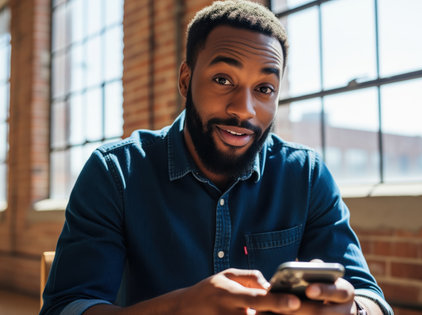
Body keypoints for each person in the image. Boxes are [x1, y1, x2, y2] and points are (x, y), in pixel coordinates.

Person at [40, 1, 393, 314]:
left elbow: (370, 299)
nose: (244, 109)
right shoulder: (115, 172)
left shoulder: (306, 175)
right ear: (185, 80)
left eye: (264, 88)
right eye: (223, 79)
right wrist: (180, 308)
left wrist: (353, 309)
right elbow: (65, 307)